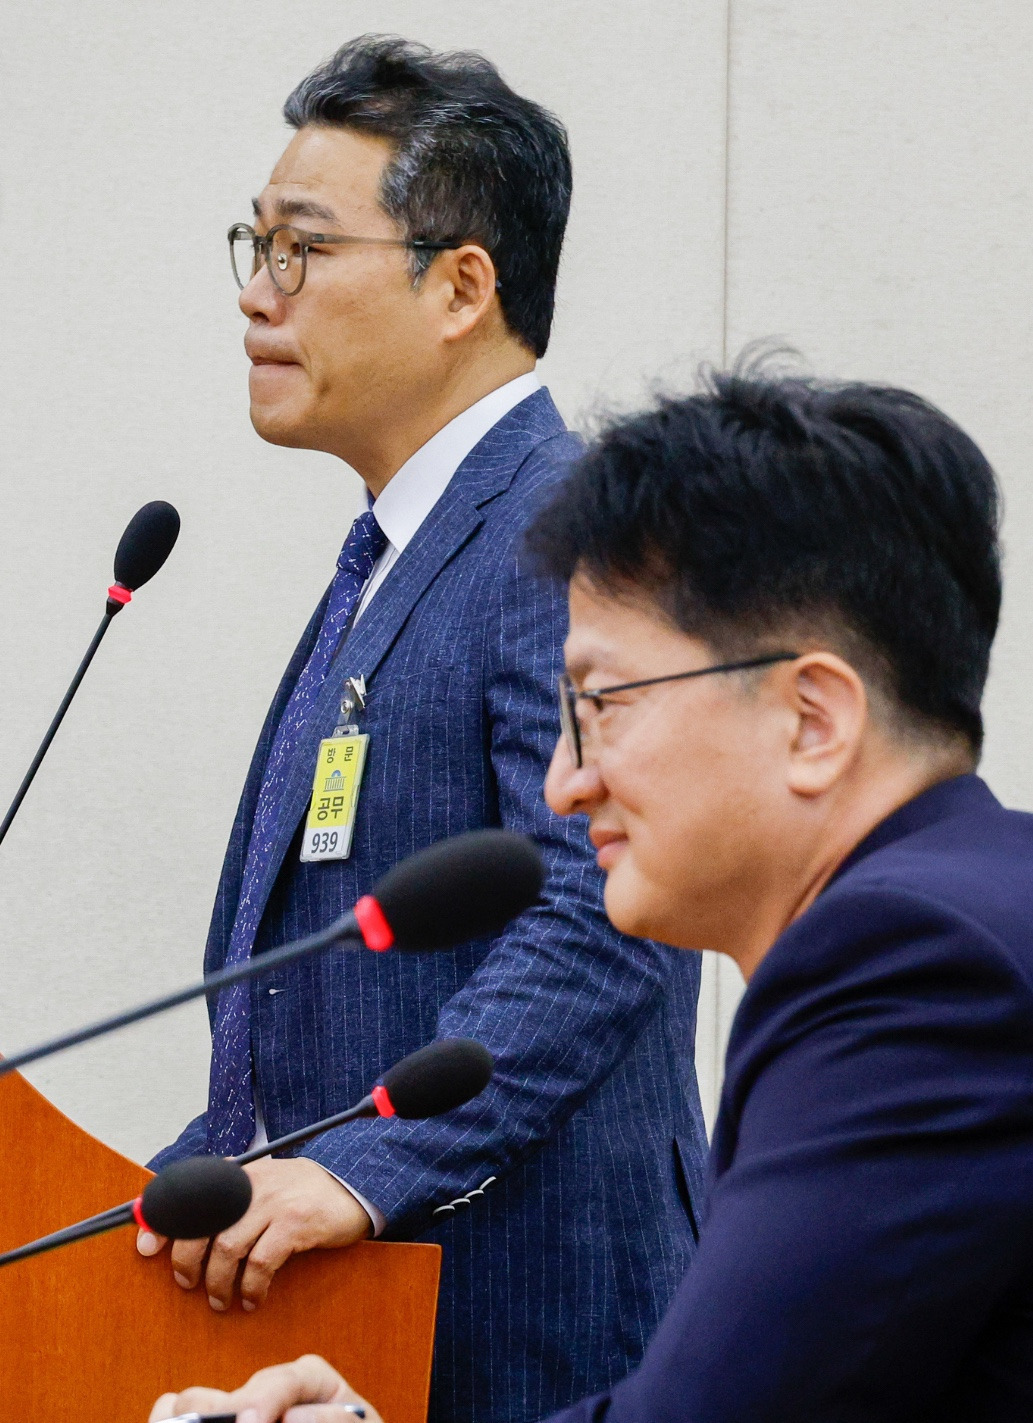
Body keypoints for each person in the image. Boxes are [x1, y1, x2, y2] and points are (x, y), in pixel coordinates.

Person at [153, 361, 1033, 1422]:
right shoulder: (958, 915)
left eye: (601, 706)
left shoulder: (911, 967)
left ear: (812, 720)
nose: (564, 783)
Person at [143, 34, 707, 1423]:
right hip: (353, 1335)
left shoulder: (561, 532)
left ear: (461, 285)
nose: (256, 294)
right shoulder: (407, 548)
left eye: (302, 250)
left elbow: (605, 906)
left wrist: (359, 1167)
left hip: (527, 1333)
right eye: (255, 246)